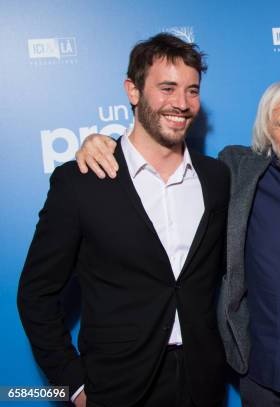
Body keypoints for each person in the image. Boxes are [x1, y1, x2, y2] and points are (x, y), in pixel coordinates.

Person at [74, 79, 280, 406]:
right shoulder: (238, 173)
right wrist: (105, 143)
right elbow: (161, 155)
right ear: (267, 130)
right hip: (266, 380)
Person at [17, 33, 229, 407]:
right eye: (167, 88)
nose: (181, 103)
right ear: (133, 91)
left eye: (192, 90)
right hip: (116, 388)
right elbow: (36, 295)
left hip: (203, 383)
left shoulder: (217, 178)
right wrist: (74, 386)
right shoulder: (81, 182)